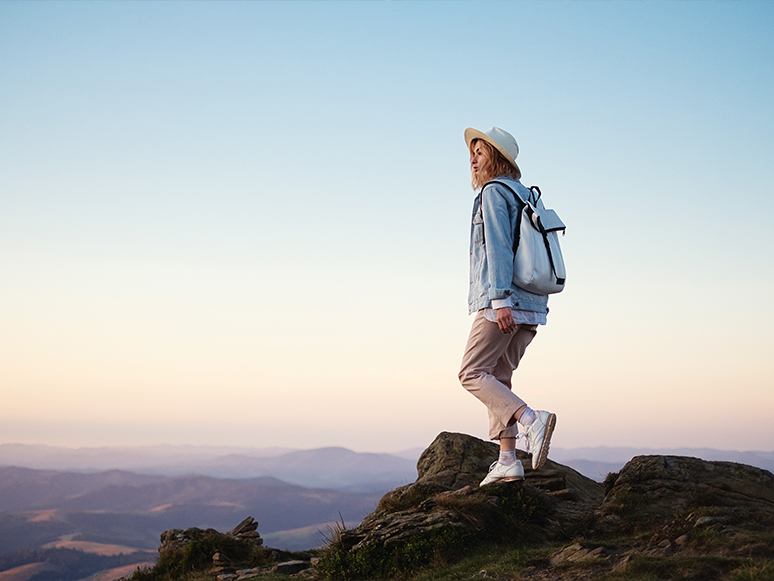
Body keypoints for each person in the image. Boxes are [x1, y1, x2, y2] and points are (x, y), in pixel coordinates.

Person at [458, 126, 557, 487]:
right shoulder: (527, 195)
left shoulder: (493, 192)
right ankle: (507, 459)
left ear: (497, 159)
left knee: (471, 372)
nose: (472, 159)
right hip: (533, 303)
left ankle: (533, 420)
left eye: (480, 152)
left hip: (506, 301)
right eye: (472, 152)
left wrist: (499, 298)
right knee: (499, 377)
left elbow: (498, 247)